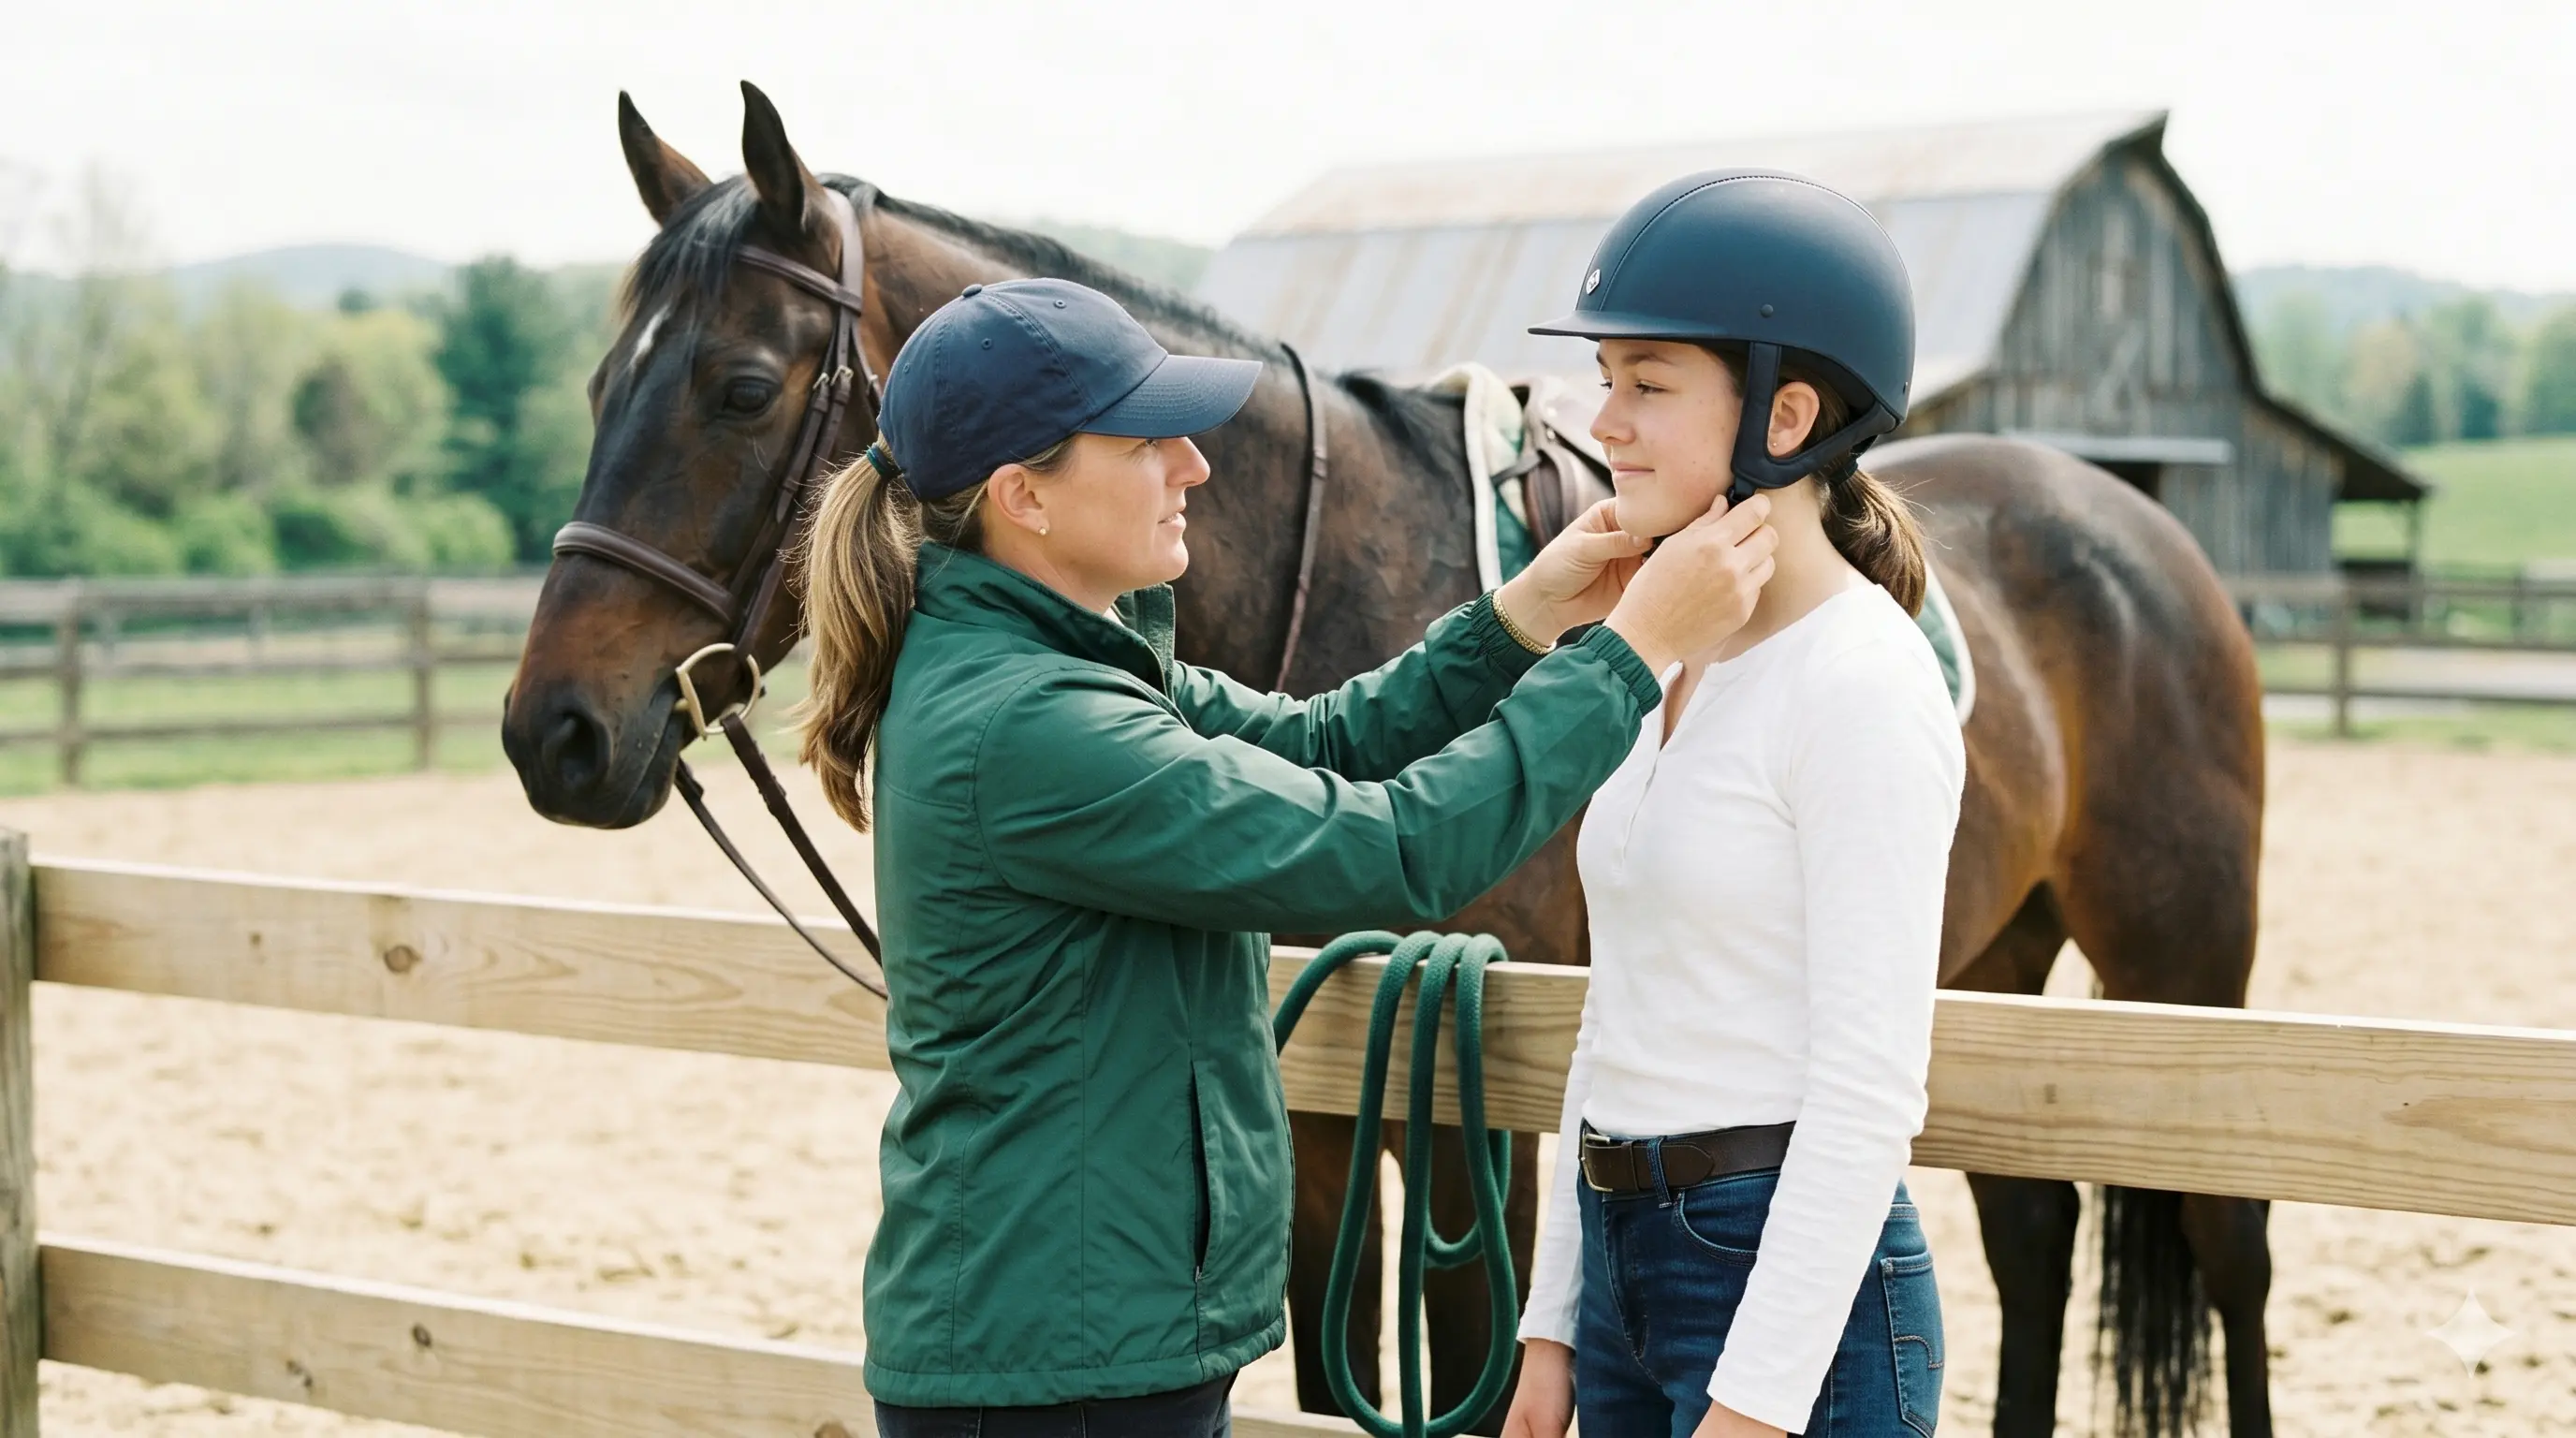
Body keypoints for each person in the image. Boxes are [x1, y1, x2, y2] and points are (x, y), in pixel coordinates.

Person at [785, 276, 1781, 1437]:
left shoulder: (1073, 665)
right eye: (1147, 439)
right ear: (1024, 497)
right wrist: (1631, 652)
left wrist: (1520, 617)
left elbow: (1323, 743)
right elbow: (1393, 850)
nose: (1194, 466)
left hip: (1073, 1333)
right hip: (1063, 1361)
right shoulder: (1037, 722)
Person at [1499, 172, 1969, 1438]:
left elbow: (1869, 1088)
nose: (1608, 421)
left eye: (1649, 384)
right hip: (1622, 1265)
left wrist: (1754, 1407)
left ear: (1789, 410)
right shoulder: (1655, 657)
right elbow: (1621, 1013)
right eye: (1607, 380)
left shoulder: (1862, 681)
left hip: (1780, 1283)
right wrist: (1553, 1326)